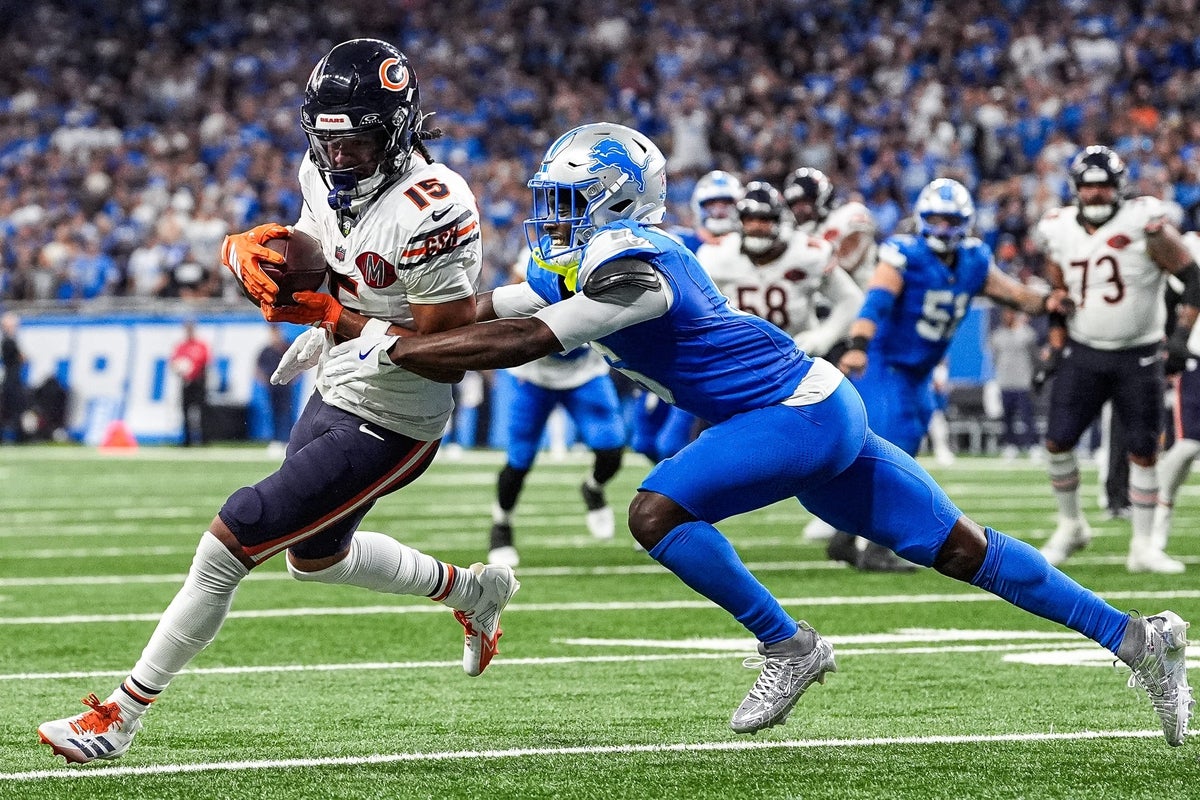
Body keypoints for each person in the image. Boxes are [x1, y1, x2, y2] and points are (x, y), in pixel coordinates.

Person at [281, 122, 1189, 746]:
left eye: (571, 200)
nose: (552, 216)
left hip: (791, 415)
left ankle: (789, 645)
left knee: (654, 513)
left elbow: (519, 340)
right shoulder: (589, 257)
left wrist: (386, 350)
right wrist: (346, 322)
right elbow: (481, 309)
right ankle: (1140, 641)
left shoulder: (640, 265)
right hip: (812, 408)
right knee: (961, 549)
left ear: (622, 202)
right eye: (550, 197)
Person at [37, 39, 518, 766]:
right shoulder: (321, 172)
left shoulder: (436, 203)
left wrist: (333, 320)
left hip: (398, 414)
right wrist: (253, 253)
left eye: (356, 140)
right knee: (316, 560)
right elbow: (315, 250)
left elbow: (441, 347)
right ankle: (471, 591)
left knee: (235, 534)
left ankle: (120, 716)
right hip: (339, 380)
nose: (340, 157)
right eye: (328, 141)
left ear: (396, 129)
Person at [830, 178, 1062, 571]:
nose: (941, 228)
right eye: (934, 218)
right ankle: (874, 546)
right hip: (886, 363)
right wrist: (858, 345)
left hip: (918, 369)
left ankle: (845, 535)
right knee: (893, 451)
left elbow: (1015, 294)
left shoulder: (973, 260)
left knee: (909, 446)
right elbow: (876, 300)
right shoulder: (904, 254)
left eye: (949, 219)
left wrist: (1051, 301)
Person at [1033, 146, 1198, 573]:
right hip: (1084, 349)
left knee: (1144, 451)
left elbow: (1192, 276)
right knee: (1057, 441)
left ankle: (1143, 546)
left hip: (1139, 353)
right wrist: (1054, 343)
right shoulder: (1057, 229)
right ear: (1075, 190)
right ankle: (1071, 525)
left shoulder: (1145, 222)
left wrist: (1179, 336)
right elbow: (1058, 294)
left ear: (1120, 188)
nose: (1097, 194)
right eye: (1089, 187)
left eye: (1104, 186)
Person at [488, 249, 627, 567]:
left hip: (585, 372)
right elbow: (510, 302)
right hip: (532, 373)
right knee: (519, 460)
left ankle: (593, 488)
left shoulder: (606, 250)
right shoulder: (535, 254)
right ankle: (501, 526)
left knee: (611, 449)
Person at [632, 169, 743, 464]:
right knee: (643, 440)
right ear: (698, 207)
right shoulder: (678, 242)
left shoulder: (747, 249)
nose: (719, 210)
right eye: (712, 203)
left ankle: (689, 498)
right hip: (666, 350)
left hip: (710, 354)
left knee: (673, 442)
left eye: (726, 203)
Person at [698, 180, 862, 363]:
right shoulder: (716, 255)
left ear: (780, 220)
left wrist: (823, 337)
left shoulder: (807, 253)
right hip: (740, 358)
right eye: (749, 219)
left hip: (799, 357)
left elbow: (851, 299)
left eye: (764, 219)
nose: (756, 226)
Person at [1146, 228, 1200, 572]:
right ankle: (1154, 534)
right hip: (1196, 358)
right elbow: (1170, 291)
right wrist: (1174, 339)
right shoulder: (1190, 244)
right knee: (1187, 447)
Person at [989, 306, 1040, 460]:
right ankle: (1010, 445)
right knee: (1008, 417)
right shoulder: (997, 335)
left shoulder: (1026, 334)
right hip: (1005, 381)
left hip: (1023, 382)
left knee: (1027, 416)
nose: (1008, 317)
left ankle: (1033, 445)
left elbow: (1034, 357)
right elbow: (996, 357)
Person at [169, 318, 211, 446]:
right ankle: (186, 440)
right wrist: (180, 369)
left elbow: (205, 361)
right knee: (185, 411)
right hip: (186, 382)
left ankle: (203, 439)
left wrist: (192, 370)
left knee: (202, 411)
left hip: (198, 381)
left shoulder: (200, 345)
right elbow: (174, 362)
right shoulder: (181, 346)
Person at [255, 325, 297, 452]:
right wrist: (264, 381)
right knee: (274, 413)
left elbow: (298, 363)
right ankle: (276, 440)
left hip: (285, 386)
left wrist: (292, 379)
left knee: (286, 413)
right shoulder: (266, 350)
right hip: (272, 387)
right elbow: (258, 368)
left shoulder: (285, 348)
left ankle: (288, 440)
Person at [0, 311, 29, 443]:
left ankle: (17, 435)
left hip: (10, 379)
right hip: (12, 380)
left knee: (10, 410)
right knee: (14, 409)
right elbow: (22, 358)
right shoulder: (8, 341)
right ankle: (19, 437)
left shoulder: (8, 341)